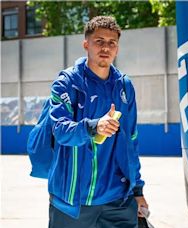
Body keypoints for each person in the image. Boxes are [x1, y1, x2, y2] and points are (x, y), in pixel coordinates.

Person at [47, 16, 148, 228]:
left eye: (112, 43)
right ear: (86, 44)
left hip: (118, 201)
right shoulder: (66, 83)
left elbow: (131, 139)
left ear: (117, 48)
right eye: (99, 41)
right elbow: (60, 130)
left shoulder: (124, 86)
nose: (106, 47)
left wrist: (137, 190)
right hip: (73, 202)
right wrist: (94, 126)